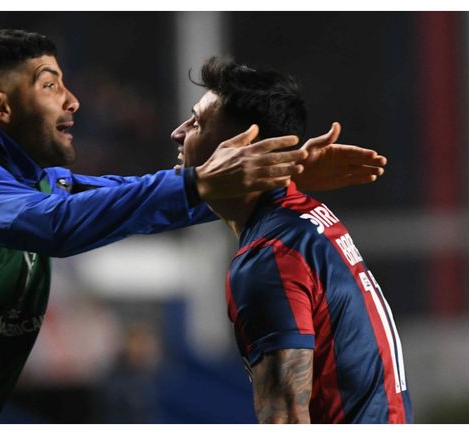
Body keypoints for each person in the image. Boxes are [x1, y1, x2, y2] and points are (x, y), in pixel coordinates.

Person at [0, 30, 386, 424]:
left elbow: (120, 197)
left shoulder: (18, 180)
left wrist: (276, 168)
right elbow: (60, 223)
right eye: (49, 84)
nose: (74, 99)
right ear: (0, 107)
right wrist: (204, 183)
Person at [170, 56, 412, 423]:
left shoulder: (269, 257)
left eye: (198, 122)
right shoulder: (306, 217)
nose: (179, 131)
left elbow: (284, 417)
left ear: (242, 148)